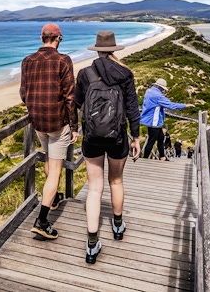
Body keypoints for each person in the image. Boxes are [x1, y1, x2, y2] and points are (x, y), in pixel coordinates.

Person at [74, 31, 141, 264]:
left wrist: (75, 129)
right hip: (118, 137)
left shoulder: (84, 73)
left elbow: (76, 104)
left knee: (94, 188)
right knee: (116, 182)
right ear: (113, 50)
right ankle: (118, 224)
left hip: (91, 138)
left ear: (97, 49)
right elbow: (133, 108)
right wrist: (136, 137)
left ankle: (92, 243)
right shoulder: (125, 74)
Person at [20, 23, 79, 240]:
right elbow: (70, 97)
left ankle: (52, 199)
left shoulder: (27, 61)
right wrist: (74, 126)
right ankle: (42, 221)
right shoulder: (63, 60)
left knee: (48, 160)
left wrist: (36, 107)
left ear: (41, 38)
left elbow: (23, 94)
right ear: (58, 39)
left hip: (38, 123)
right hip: (58, 123)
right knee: (55, 170)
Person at [140, 78, 194, 160]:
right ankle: (144, 159)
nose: (163, 91)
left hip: (148, 119)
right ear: (160, 87)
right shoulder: (158, 96)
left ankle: (162, 157)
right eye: (163, 89)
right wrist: (185, 105)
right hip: (154, 121)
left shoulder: (149, 91)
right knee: (151, 141)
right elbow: (171, 105)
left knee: (161, 137)